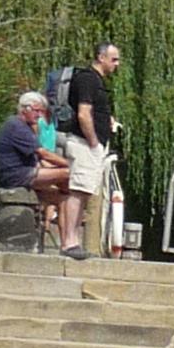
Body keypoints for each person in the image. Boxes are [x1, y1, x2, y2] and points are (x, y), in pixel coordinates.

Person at [57, 41, 122, 258]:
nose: (117, 64)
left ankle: (73, 242)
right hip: (85, 144)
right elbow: (84, 113)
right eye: (113, 59)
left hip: (92, 145)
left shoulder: (98, 82)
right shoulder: (87, 79)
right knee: (78, 190)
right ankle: (69, 242)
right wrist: (93, 141)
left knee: (84, 192)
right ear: (100, 58)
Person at [0, 89, 52, 250]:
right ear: (26, 109)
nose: (39, 116)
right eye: (37, 111)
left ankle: (67, 242)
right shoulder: (16, 126)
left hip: (24, 172)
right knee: (66, 175)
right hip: (16, 176)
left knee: (64, 194)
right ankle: (62, 236)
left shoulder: (27, 127)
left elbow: (38, 158)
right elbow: (42, 153)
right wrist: (66, 165)